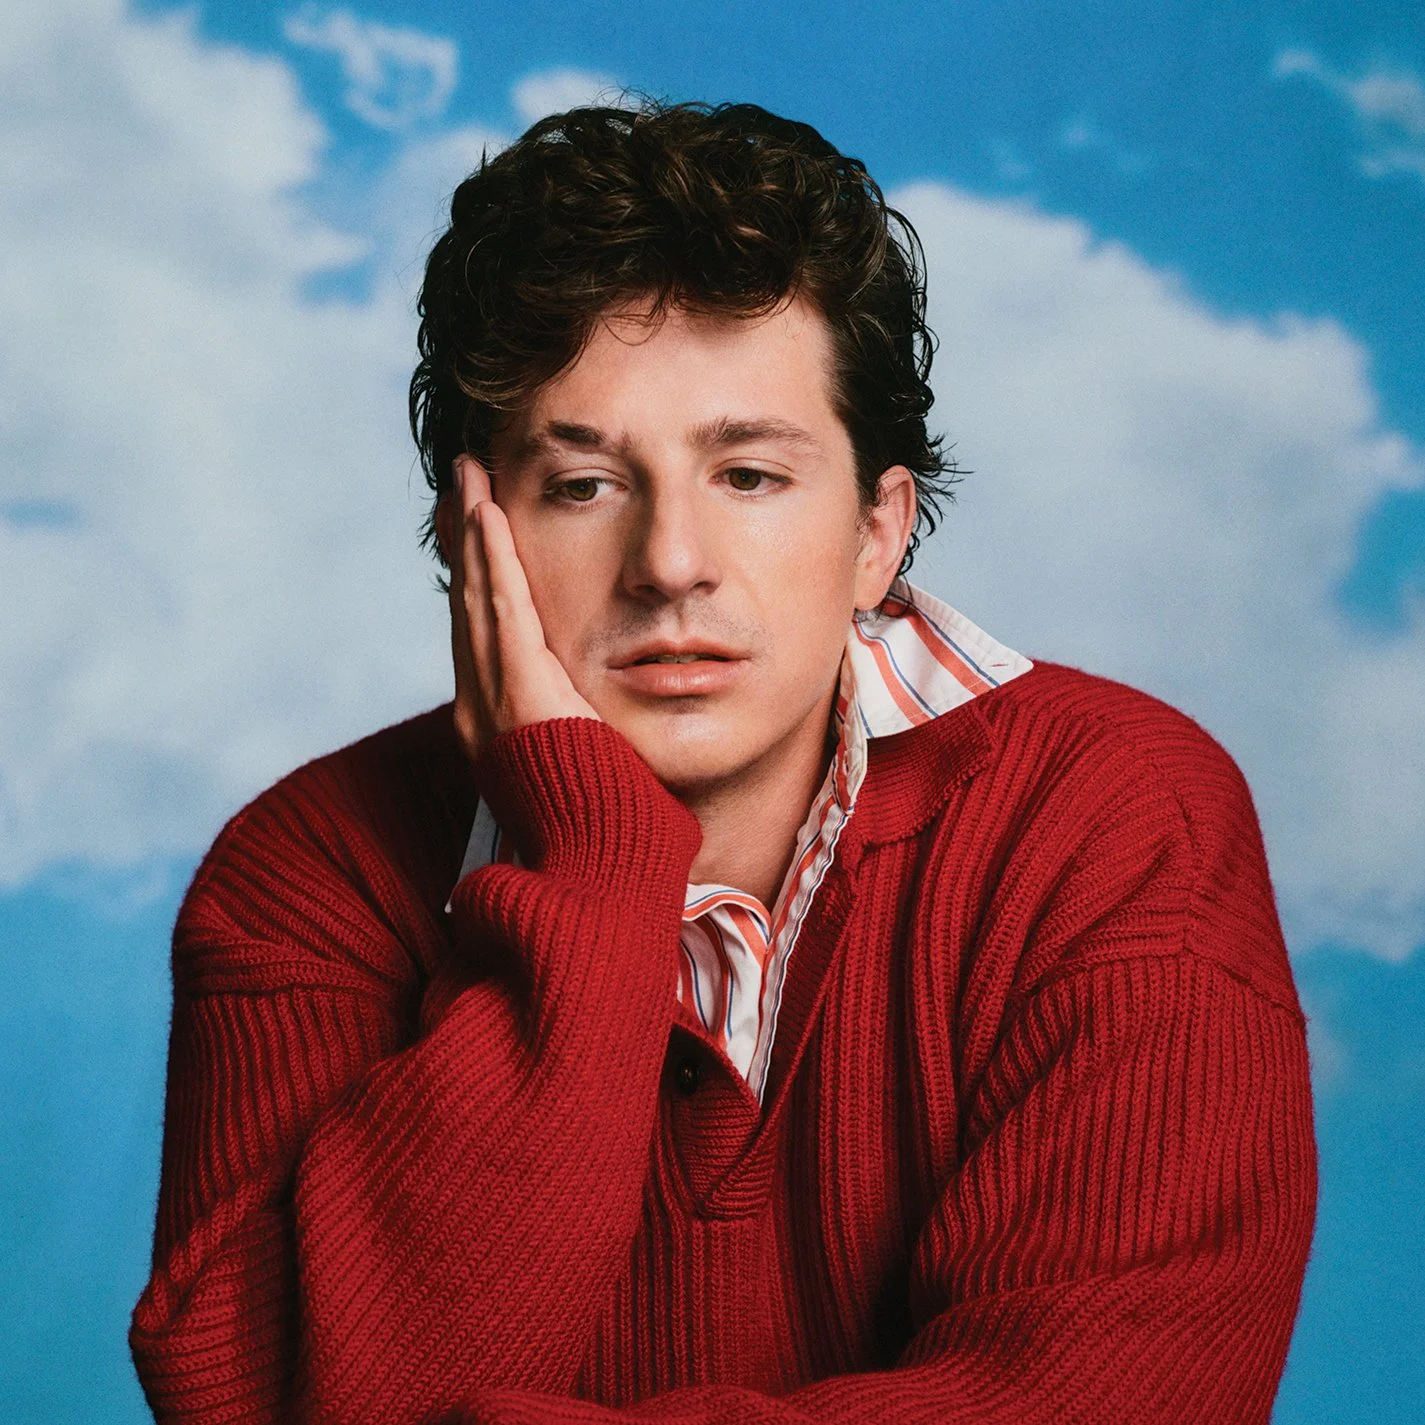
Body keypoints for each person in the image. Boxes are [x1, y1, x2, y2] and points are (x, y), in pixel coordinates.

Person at [129, 100, 1317, 1423]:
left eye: (749, 475)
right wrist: (593, 872)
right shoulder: (309, 873)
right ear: (469, 539)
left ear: (879, 530)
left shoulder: (1112, 814)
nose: (671, 563)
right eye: (582, 486)